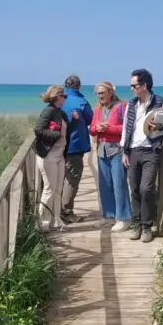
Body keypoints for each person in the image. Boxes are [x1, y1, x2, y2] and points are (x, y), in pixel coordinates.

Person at [120, 68, 163, 243]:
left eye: (134, 85)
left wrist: (160, 127)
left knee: (147, 189)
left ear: (144, 85)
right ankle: (136, 225)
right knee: (135, 189)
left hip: (151, 151)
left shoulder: (160, 102)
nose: (131, 88)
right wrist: (124, 151)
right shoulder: (131, 104)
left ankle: (147, 226)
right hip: (133, 151)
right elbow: (125, 129)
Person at [89, 82, 132, 232]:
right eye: (98, 93)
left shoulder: (122, 106)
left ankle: (124, 218)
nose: (100, 96)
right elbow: (92, 129)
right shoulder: (98, 109)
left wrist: (109, 128)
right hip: (102, 150)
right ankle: (109, 216)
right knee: (105, 185)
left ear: (111, 93)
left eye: (103, 92)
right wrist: (97, 128)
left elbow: (127, 128)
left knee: (119, 185)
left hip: (117, 150)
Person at [33, 85, 70, 232]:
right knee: (49, 189)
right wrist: (56, 135)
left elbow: (65, 130)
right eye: (64, 96)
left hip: (60, 155)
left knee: (58, 189)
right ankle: (43, 223)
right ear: (57, 97)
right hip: (48, 156)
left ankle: (57, 220)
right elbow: (38, 129)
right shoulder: (49, 110)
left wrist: (73, 120)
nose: (65, 99)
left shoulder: (60, 112)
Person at [60, 75, 95, 223]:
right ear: (78, 86)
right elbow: (91, 119)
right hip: (74, 146)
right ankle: (66, 212)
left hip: (57, 146)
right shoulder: (81, 101)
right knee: (72, 179)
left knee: (58, 179)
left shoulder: (58, 100)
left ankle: (55, 211)